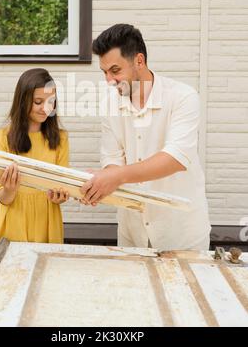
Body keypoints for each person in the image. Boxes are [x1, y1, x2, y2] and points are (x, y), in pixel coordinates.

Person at [81, 24, 211, 251]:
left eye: (115, 70)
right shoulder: (110, 105)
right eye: (104, 72)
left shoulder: (183, 97)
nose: (109, 80)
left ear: (139, 61)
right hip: (132, 233)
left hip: (181, 234)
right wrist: (99, 184)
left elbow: (175, 159)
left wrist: (114, 177)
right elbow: (113, 160)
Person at [0, 68, 69, 249]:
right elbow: (2, 197)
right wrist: (9, 190)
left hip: (47, 218)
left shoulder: (61, 138)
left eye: (50, 102)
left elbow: (62, 189)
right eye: (38, 102)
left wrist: (60, 196)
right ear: (22, 101)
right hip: (14, 218)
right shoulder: (3, 137)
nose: (45, 108)